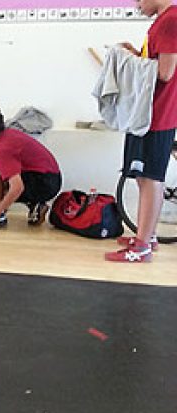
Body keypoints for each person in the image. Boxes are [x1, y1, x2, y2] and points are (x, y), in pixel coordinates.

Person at [106, 0, 177, 262]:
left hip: (156, 115)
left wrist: (130, 61)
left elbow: (166, 72)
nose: (137, 5)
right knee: (142, 176)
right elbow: (156, 63)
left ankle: (142, 246)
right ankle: (148, 235)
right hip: (147, 113)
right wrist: (136, 55)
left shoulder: (170, 20)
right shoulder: (162, 21)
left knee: (150, 178)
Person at [0, 103, 62, 229]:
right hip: (49, 177)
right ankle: (33, 206)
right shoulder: (8, 135)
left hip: (46, 183)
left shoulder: (4, 148)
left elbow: (17, 187)